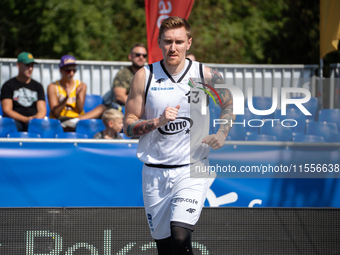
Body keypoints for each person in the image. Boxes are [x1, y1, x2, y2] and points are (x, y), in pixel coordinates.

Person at [123, 17, 234, 255]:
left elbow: (229, 104)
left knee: (180, 236)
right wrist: (157, 121)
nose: (173, 47)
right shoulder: (146, 75)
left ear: (189, 43)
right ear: (159, 43)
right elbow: (128, 126)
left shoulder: (205, 74)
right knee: (165, 248)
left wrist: (222, 133)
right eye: (168, 42)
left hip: (193, 167)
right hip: (155, 171)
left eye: (179, 42)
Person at [47, 55, 106, 130]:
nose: (71, 73)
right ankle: (72, 122)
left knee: (102, 108)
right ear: (61, 71)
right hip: (60, 119)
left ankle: (74, 121)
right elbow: (55, 113)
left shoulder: (81, 85)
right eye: (68, 71)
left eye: (74, 70)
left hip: (77, 119)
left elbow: (79, 110)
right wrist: (66, 98)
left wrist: (77, 96)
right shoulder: (52, 87)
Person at [0, 52, 46, 131]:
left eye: (32, 65)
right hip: (14, 121)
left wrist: (34, 119)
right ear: (18, 65)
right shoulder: (8, 85)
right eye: (27, 65)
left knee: (45, 127)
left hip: (34, 121)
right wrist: (26, 119)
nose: (30, 68)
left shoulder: (38, 86)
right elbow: (7, 110)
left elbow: (42, 109)